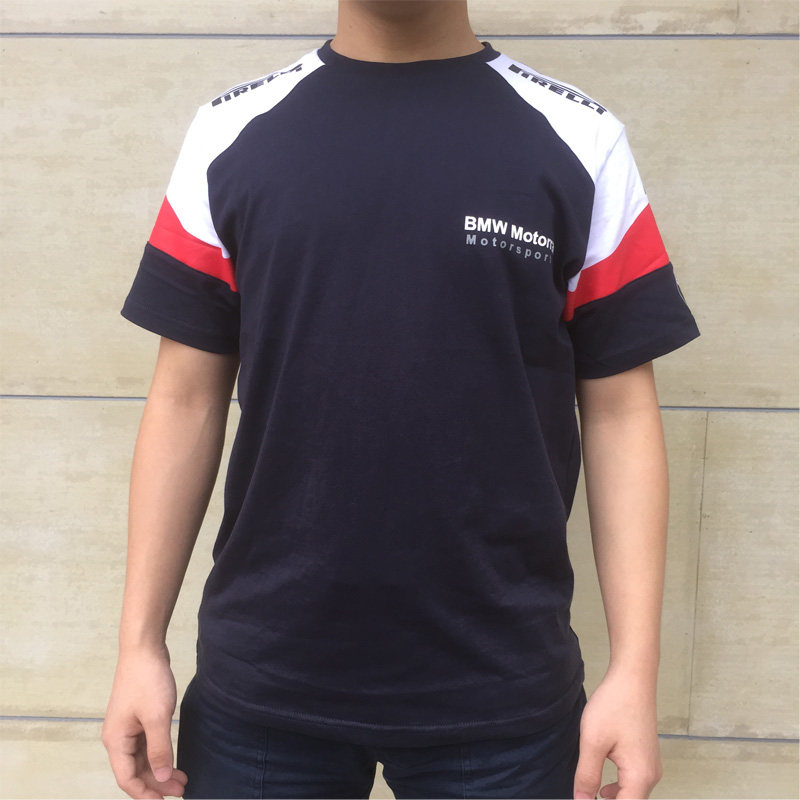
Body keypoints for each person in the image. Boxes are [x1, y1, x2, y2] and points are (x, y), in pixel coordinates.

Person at [101, 1, 701, 798]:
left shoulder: (581, 140)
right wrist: (139, 645)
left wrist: (635, 672)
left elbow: (621, 413)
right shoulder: (229, 133)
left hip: (502, 694)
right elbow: (184, 399)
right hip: (266, 689)